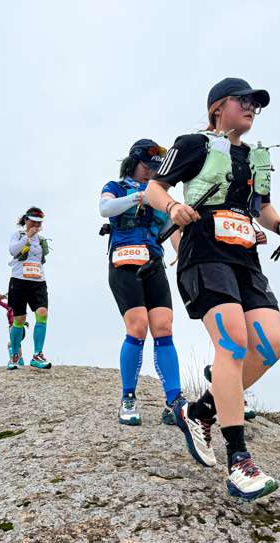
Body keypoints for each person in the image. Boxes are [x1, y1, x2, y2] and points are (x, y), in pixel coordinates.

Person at [144, 77, 280, 501]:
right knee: (232, 343)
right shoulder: (194, 144)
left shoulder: (254, 157)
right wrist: (175, 206)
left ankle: (199, 412)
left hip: (245, 258)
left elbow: (262, 207)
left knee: (270, 345)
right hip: (204, 253)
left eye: (257, 103)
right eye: (244, 100)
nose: (252, 108)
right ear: (218, 107)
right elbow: (153, 189)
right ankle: (239, 461)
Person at [99, 139, 184, 426]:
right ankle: (128, 397)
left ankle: (174, 400)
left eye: (156, 168)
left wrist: (181, 254)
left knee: (164, 327)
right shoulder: (116, 186)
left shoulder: (158, 193)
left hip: (154, 263)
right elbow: (105, 209)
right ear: (134, 163)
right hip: (124, 262)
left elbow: (169, 229)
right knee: (138, 327)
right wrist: (139, 197)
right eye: (147, 166)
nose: (151, 172)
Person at [7, 207, 52, 370]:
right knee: (19, 319)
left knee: (42, 313)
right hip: (19, 280)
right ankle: (14, 356)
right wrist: (28, 236)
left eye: (39, 222)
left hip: (38, 280)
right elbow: (13, 250)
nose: (36, 224)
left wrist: (35, 236)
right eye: (33, 221)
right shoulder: (18, 234)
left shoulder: (41, 239)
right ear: (26, 220)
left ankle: (37, 354)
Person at [0, 294, 26, 366]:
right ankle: (20, 360)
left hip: (17, 327)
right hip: (12, 328)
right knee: (17, 344)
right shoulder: (9, 307)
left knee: (11, 344)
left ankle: (13, 360)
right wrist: (0, 297)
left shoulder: (18, 306)